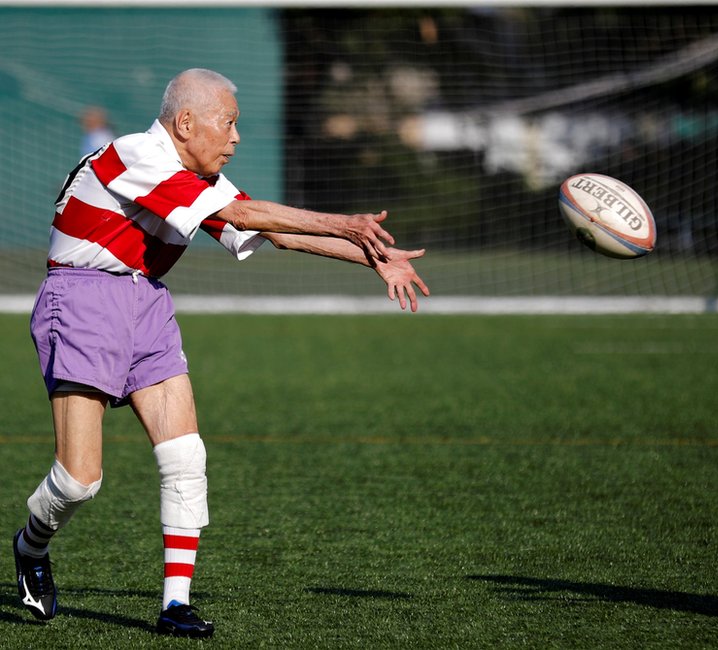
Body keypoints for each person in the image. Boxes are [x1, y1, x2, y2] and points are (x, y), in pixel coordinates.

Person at [11, 68, 430, 638]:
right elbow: (243, 216)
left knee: (186, 456)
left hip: (145, 300)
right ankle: (31, 544)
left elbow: (276, 233)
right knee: (80, 480)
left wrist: (375, 258)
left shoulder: (193, 177)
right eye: (228, 123)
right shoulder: (136, 154)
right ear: (186, 123)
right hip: (83, 298)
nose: (236, 137)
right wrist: (346, 224)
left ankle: (175, 605)